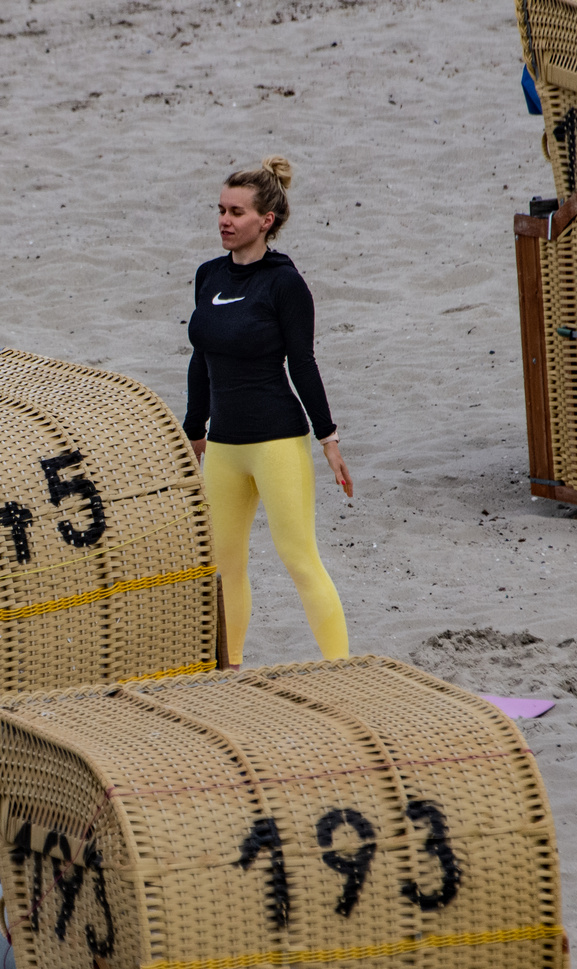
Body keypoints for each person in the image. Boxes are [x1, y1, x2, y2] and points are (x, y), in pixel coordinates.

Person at [182, 155, 351, 669]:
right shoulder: (208, 276)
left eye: (236, 212)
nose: (225, 221)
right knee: (224, 565)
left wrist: (328, 438)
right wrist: (194, 432)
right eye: (220, 210)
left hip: (277, 441)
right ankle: (230, 667)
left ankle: (342, 669)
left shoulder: (284, 283)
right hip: (226, 448)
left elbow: (302, 362)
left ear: (266, 220)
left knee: (299, 560)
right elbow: (201, 359)